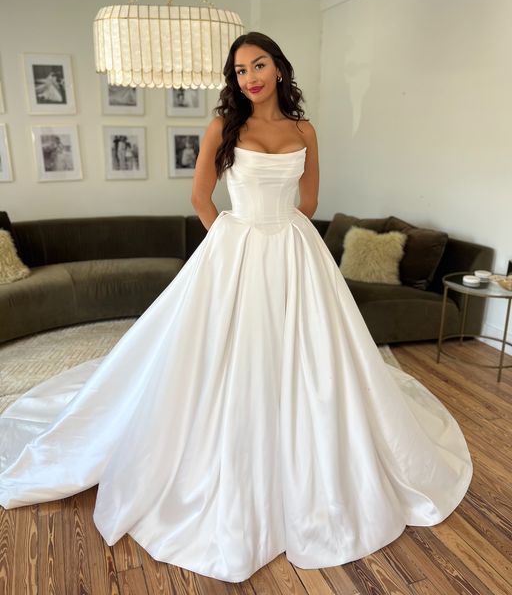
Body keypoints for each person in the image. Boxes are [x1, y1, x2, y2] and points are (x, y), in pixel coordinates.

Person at [0, 32, 472, 583]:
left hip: (294, 249)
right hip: (238, 243)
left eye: (259, 64)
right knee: (222, 351)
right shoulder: (224, 126)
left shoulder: (304, 130)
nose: (250, 76)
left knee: (311, 352)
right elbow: (201, 198)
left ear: (278, 69)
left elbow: (310, 201)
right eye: (240, 68)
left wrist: (278, 225)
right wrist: (231, 237)